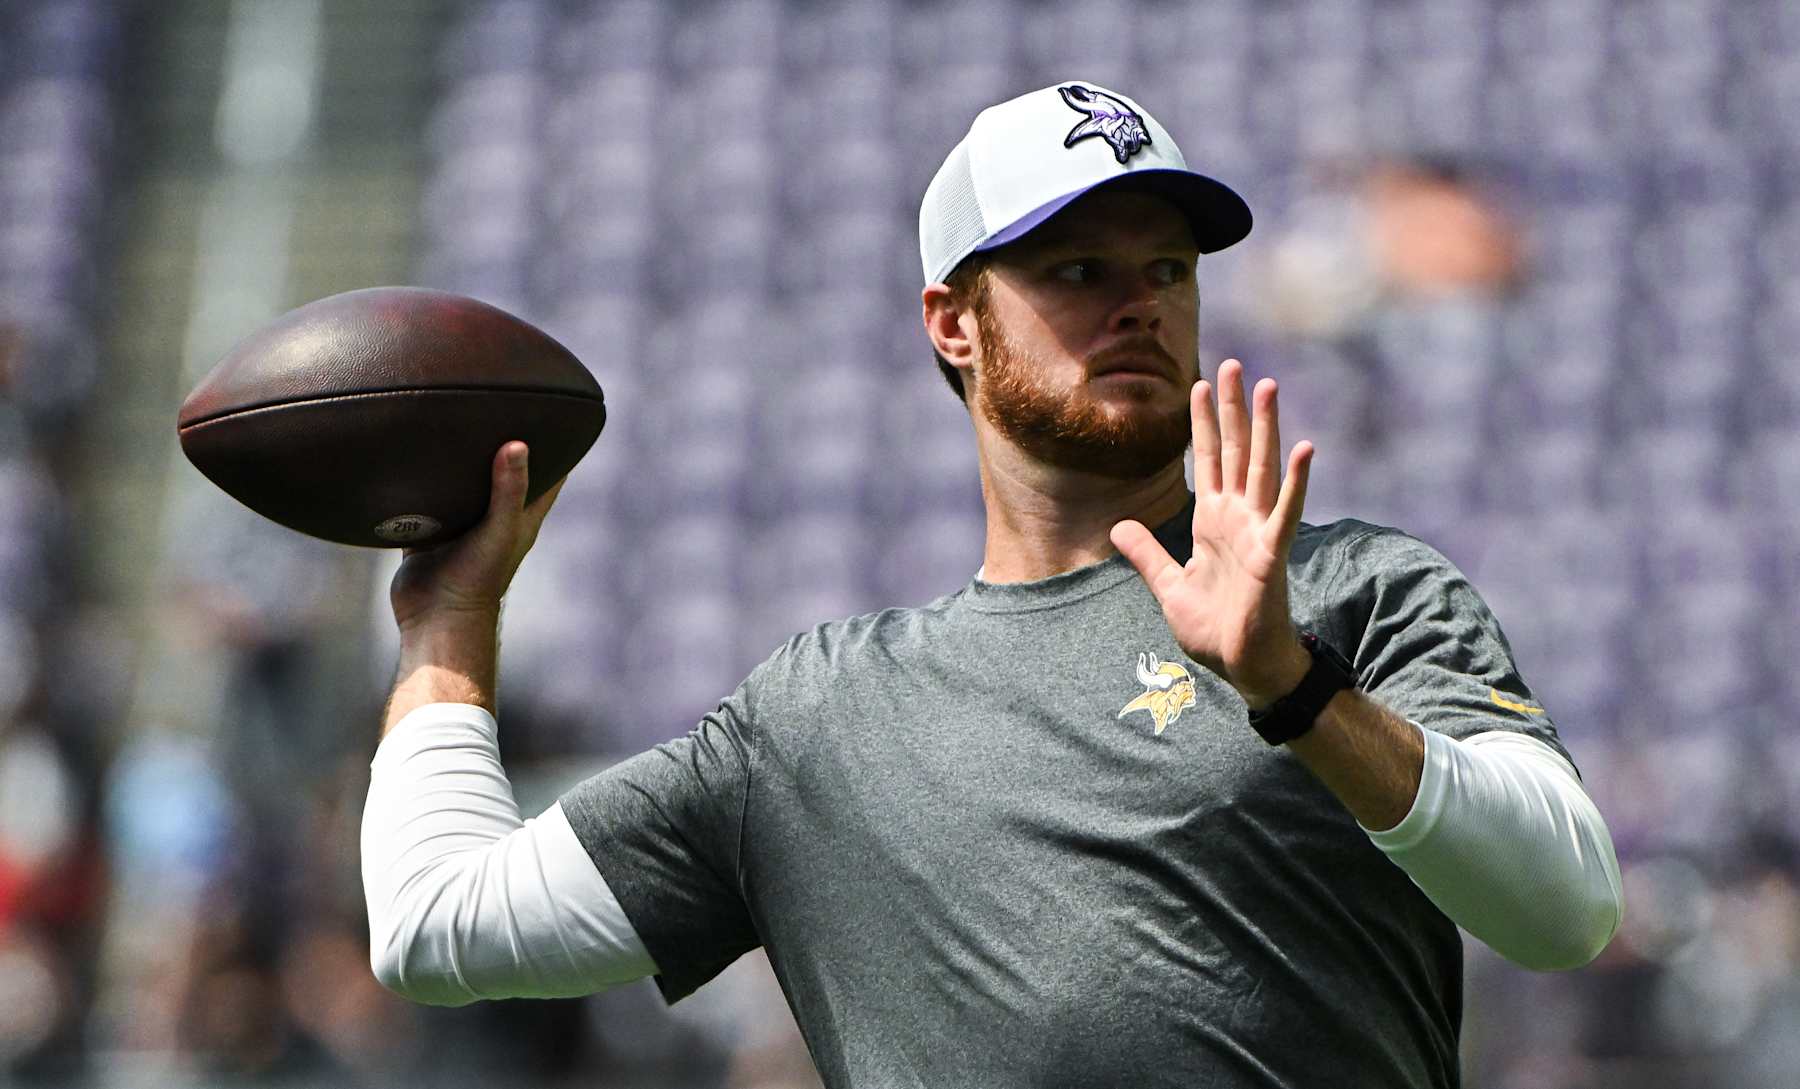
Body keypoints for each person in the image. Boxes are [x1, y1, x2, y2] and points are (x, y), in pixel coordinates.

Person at [361, 82, 1623, 1088]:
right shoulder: (820, 717)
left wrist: (1294, 690)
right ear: (952, 322)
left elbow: (1565, 908)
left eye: (1169, 269)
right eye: (1077, 270)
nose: (1139, 302)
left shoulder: (1353, 591)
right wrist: (449, 622)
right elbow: (438, 924)